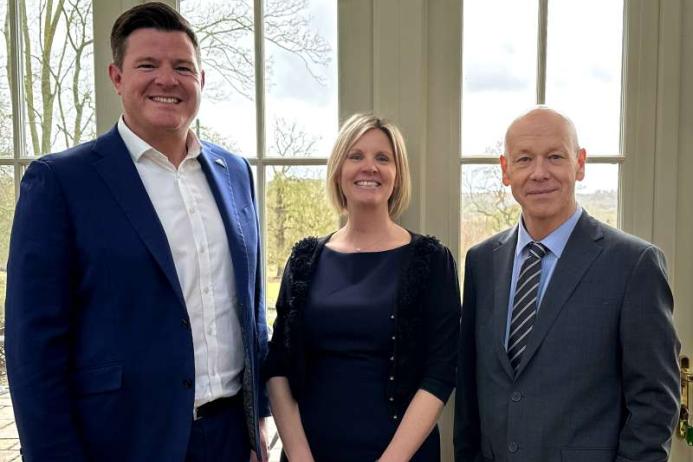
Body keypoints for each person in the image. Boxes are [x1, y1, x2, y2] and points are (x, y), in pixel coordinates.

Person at [5, 3, 269, 461]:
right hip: (119, 442)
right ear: (117, 77)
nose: (167, 79)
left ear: (201, 81)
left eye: (183, 67)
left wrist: (256, 422)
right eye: (148, 64)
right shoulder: (61, 182)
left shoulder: (235, 174)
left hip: (228, 439)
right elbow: (33, 351)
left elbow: (249, 311)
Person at [454, 106, 680, 462]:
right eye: (524, 159)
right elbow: (469, 394)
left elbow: (655, 403)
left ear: (579, 163)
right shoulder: (482, 261)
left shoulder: (634, 264)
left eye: (555, 156)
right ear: (505, 170)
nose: (539, 173)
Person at [264, 113, 460, 461]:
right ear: (338, 171)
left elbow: (441, 372)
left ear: (397, 175)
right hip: (310, 452)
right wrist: (298, 456)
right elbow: (277, 365)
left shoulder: (432, 259)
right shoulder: (304, 258)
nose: (369, 167)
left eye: (383, 158)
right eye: (356, 156)